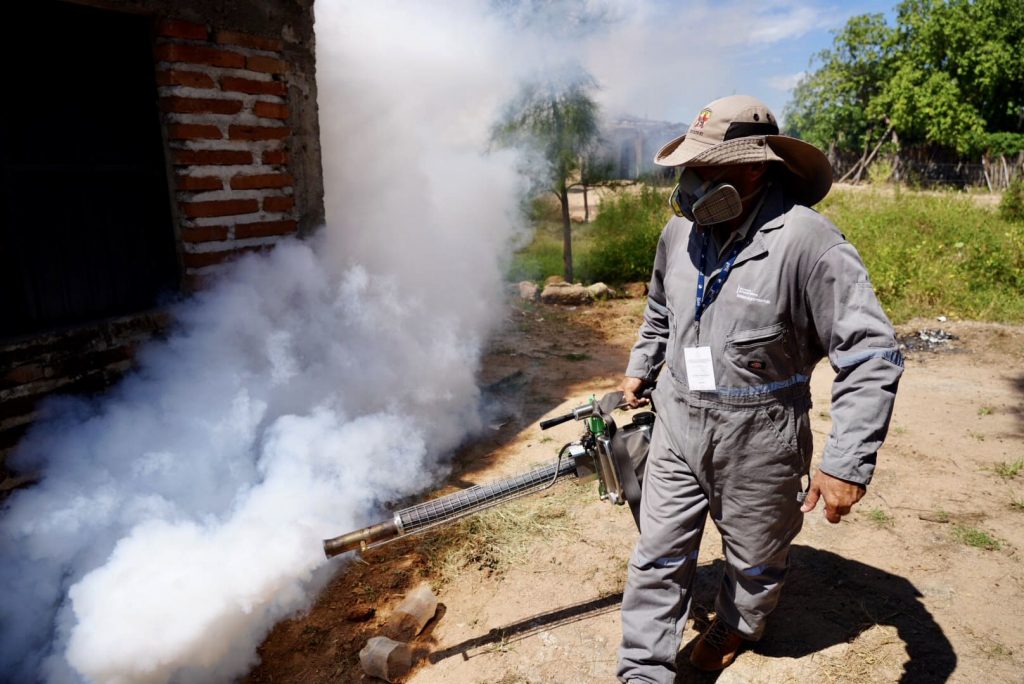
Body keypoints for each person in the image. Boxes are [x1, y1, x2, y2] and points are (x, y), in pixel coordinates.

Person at [616, 95, 903, 683]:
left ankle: (740, 623)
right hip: (676, 419)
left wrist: (847, 462)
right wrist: (641, 365)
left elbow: (871, 354)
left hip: (761, 435)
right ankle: (642, 672)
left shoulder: (808, 243)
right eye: (687, 172)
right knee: (657, 556)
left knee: (756, 557)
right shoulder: (679, 234)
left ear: (751, 168)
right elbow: (658, 310)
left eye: (703, 170)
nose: (689, 185)